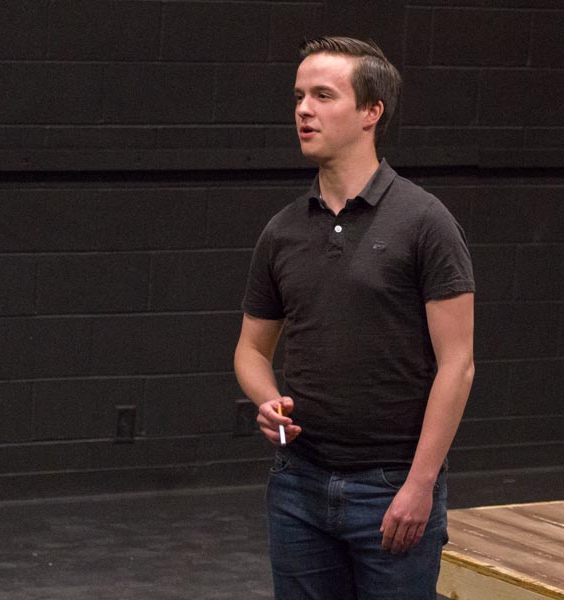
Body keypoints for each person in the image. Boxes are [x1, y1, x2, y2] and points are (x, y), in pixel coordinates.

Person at [233, 36, 475, 600]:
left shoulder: (425, 221)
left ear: (371, 112)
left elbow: (457, 365)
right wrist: (265, 397)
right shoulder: (283, 230)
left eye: (323, 95)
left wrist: (419, 486)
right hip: (298, 485)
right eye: (298, 96)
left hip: (392, 489)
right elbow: (250, 349)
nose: (303, 110)